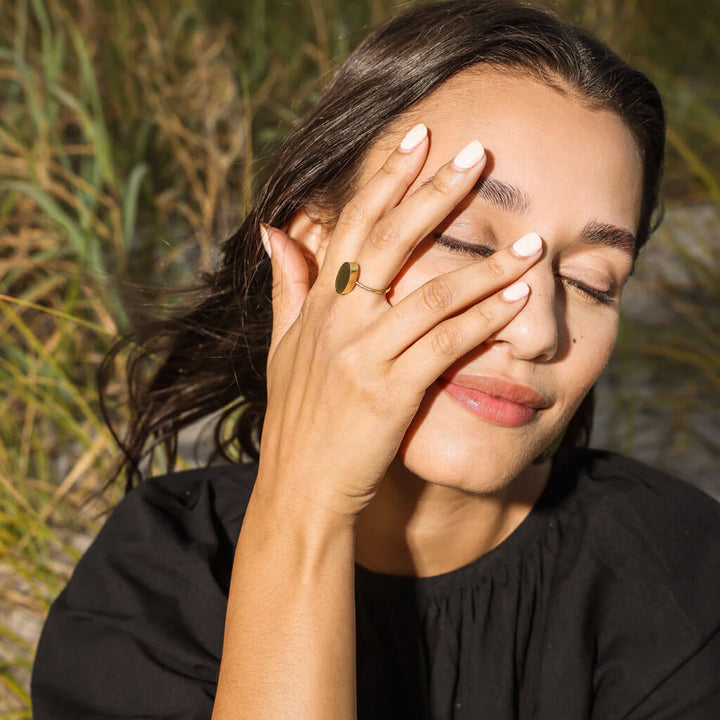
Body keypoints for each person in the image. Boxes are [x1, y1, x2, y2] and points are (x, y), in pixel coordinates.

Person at [31, 0, 720, 718]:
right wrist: (304, 510)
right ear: (313, 250)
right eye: (467, 243)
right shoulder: (156, 584)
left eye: (590, 283)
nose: (537, 330)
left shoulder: (679, 572)